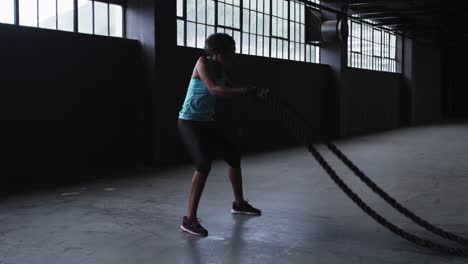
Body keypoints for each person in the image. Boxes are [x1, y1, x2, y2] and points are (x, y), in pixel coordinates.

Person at [178, 33, 262, 236]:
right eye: (230, 54)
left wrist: (254, 90)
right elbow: (215, 90)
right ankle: (189, 220)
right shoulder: (202, 63)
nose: (232, 58)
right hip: (189, 122)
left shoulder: (221, 68)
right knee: (203, 163)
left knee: (233, 155)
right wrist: (244, 91)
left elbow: (229, 87)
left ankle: (239, 204)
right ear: (216, 54)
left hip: (206, 122)